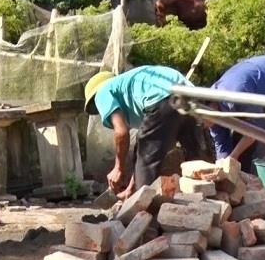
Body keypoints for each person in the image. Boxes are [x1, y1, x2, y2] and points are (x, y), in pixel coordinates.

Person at [84, 66, 204, 199]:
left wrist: (118, 168)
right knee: (196, 162)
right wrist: (130, 189)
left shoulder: (102, 93)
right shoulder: (129, 85)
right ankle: (208, 200)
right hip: (187, 94)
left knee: (145, 177)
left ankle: (142, 212)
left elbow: (121, 132)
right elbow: (143, 149)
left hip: (163, 98)